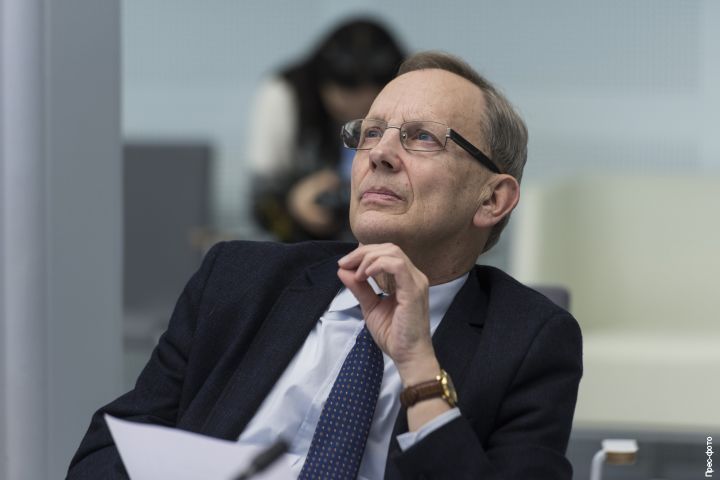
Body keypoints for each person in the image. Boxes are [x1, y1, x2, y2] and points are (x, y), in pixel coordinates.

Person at [68, 51, 582, 479]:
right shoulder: (238, 279)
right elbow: (105, 453)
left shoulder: (529, 340)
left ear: (492, 199)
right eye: (370, 133)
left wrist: (419, 367)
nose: (378, 155)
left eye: (422, 137)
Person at [249, 18, 404, 241]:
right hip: (306, 242)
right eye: (345, 99)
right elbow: (260, 205)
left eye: (371, 109)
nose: (357, 112)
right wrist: (292, 205)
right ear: (322, 84)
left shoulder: (413, 92)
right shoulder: (285, 96)